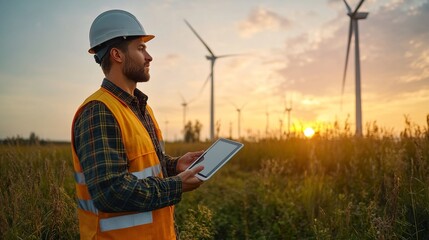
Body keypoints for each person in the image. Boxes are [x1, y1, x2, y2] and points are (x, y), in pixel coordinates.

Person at [71, 9, 205, 239]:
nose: (149, 57)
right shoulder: (98, 111)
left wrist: (174, 166)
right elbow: (110, 191)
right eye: (141, 48)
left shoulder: (141, 108)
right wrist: (175, 186)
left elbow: (142, 164)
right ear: (117, 55)